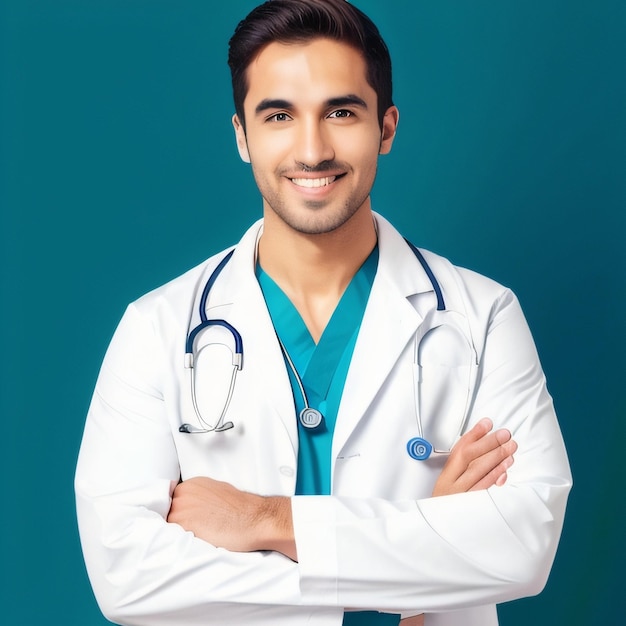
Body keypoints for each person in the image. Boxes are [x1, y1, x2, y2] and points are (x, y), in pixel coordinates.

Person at [75, 1, 572, 625]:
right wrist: (424, 550)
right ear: (242, 136)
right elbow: (128, 578)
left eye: (341, 112)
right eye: (279, 115)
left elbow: (523, 547)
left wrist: (266, 521)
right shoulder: (155, 329)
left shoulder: (484, 316)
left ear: (386, 129)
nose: (312, 150)